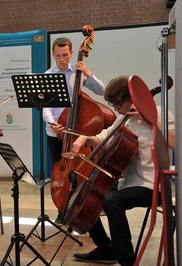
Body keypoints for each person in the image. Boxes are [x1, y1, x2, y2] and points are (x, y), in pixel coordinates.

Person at [70, 76, 175, 265]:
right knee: (86, 195)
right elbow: (103, 137)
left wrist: (149, 118)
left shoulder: (160, 113)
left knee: (112, 201)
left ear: (132, 99)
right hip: (128, 184)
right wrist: (85, 139)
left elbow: (176, 143)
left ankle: (126, 260)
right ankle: (106, 248)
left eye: (118, 105)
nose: (116, 109)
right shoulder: (124, 120)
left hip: (153, 185)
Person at [43, 37, 106, 223]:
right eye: (57, 56)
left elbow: (101, 91)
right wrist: (53, 122)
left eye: (65, 55)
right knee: (60, 172)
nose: (61, 59)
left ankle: (80, 208)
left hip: (77, 132)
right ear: (53, 55)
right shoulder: (48, 75)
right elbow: (45, 106)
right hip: (55, 131)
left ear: (71, 53)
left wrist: (88, 73)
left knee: (80, 172)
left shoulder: (77, 72)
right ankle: (62, 208)